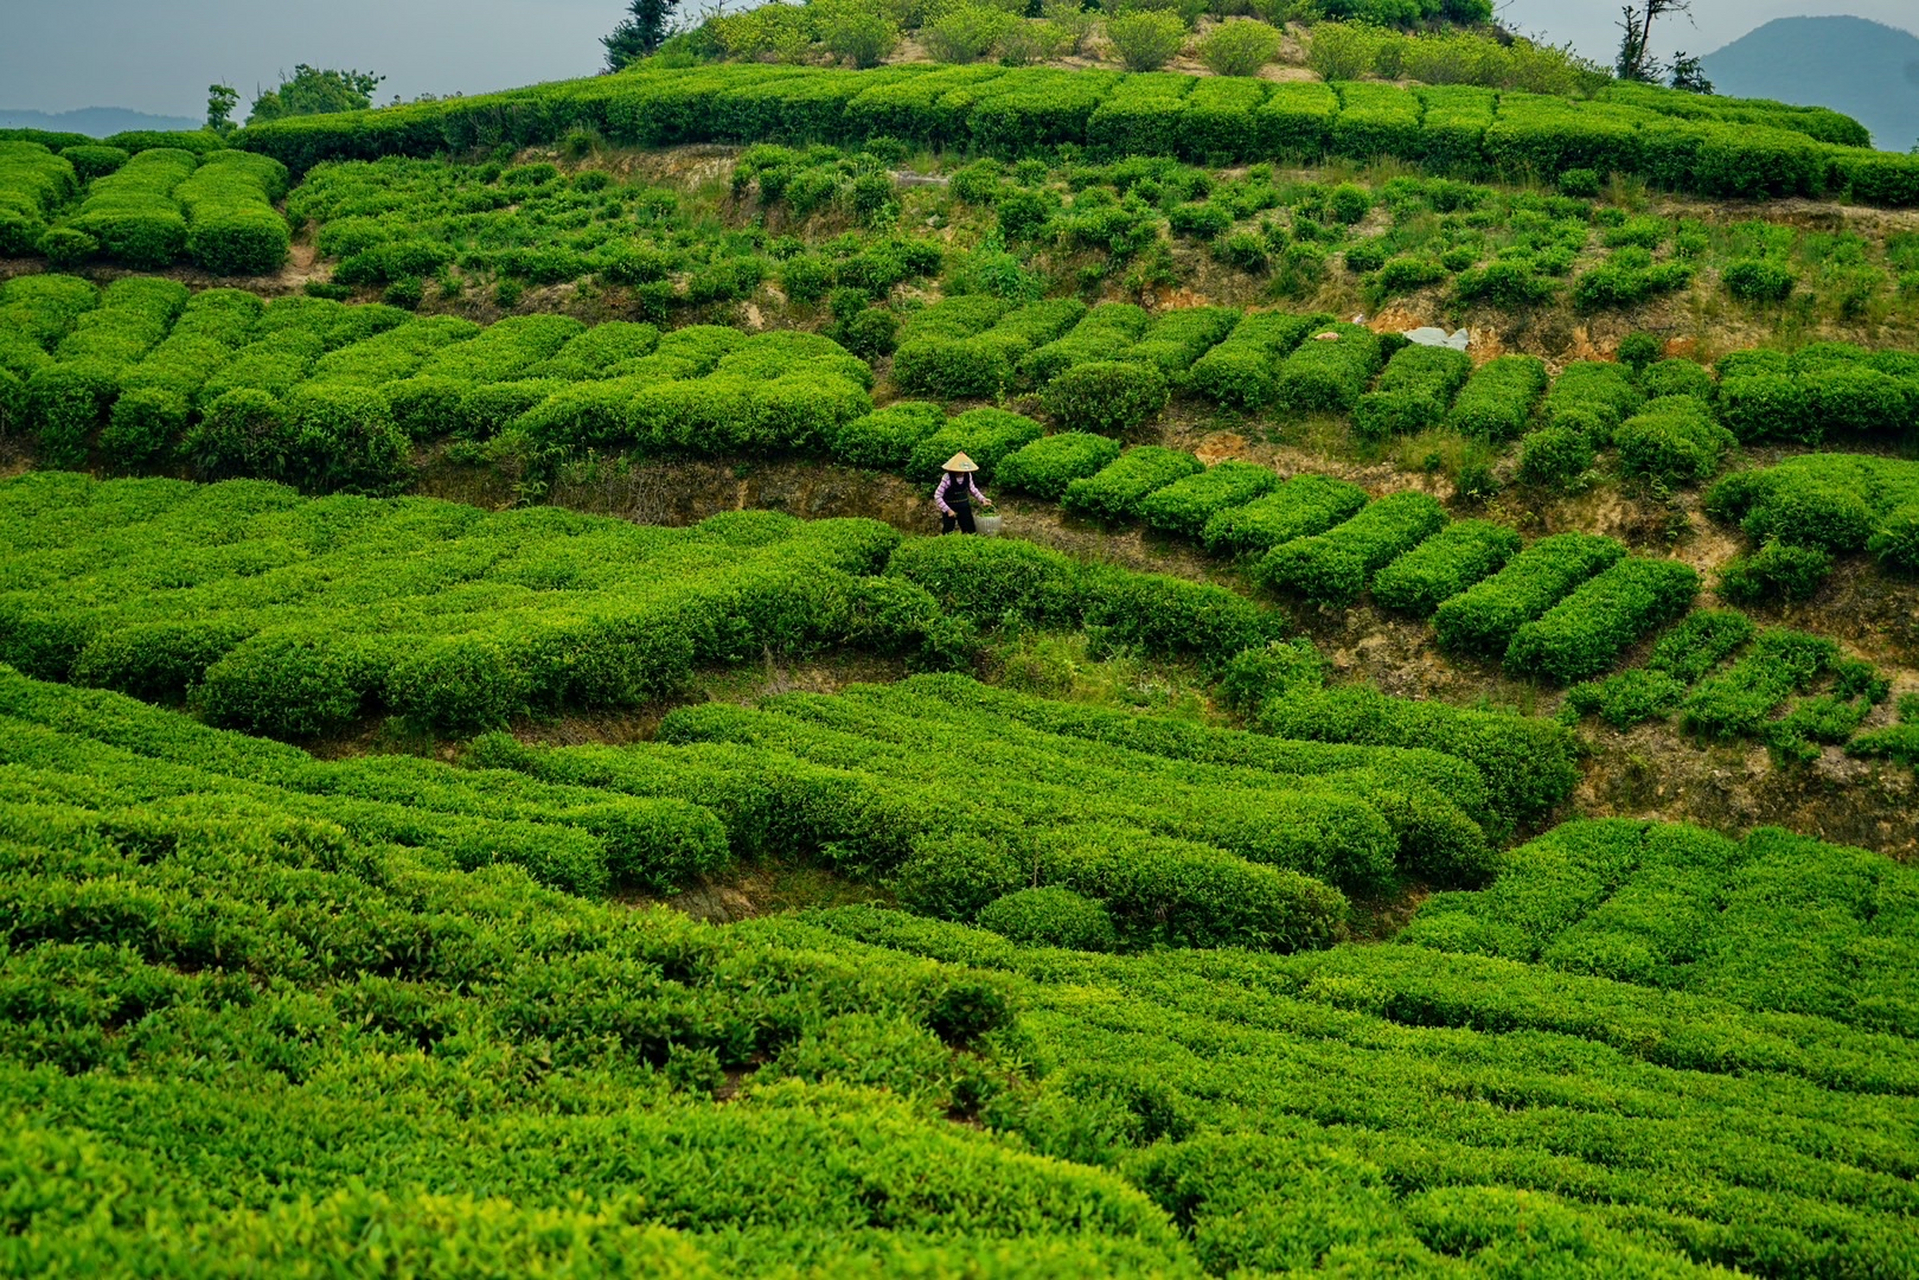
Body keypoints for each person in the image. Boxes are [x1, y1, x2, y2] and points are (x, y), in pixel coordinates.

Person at [933, 452, 992, 535]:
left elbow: (973, 489)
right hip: (950, 506)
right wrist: (948, 510)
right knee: (948, 532)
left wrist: (982, 499)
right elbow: (937, 495)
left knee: (970, 531)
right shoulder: (947, 477)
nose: (963, 472)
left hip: (964, 505)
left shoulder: (968, 475)